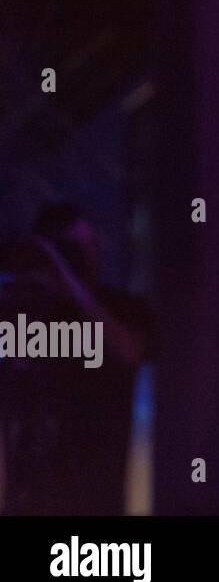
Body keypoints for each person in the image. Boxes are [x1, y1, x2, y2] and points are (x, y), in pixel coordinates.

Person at [0, 203, 153, 515]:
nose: (86, 256)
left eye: (90, 246)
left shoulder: (123, 308)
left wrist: (72, 287)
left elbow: (130, 351)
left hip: (95, 492)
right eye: (70, 249)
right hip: (25, 492)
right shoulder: (18, 312)